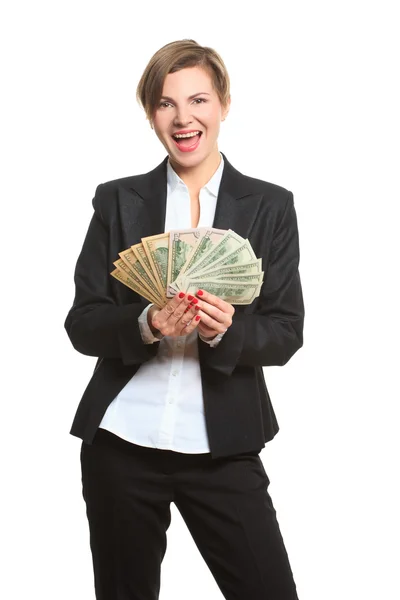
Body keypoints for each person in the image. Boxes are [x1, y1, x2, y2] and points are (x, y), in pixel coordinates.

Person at [65, 39, 304, 600]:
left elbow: (286, 331)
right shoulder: (117, 201)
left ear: (222, 103)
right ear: (151, 114)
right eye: (166, 103)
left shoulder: (270, 206)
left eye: (197, 99)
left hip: (222, 445)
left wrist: (226, 328)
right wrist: (147, 322)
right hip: (121, 443)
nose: (183, 117)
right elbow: (84, 321)